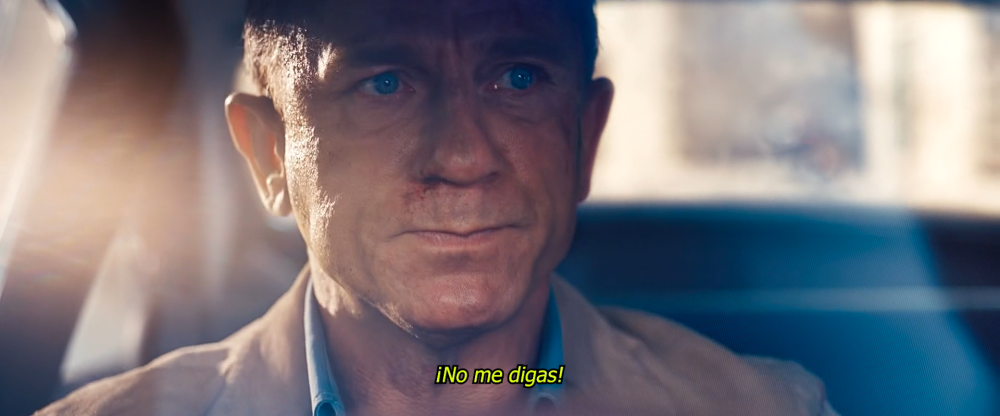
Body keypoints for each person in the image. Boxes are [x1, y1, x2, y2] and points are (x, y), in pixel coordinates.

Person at [38, 0, 838, 414]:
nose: (462, 157)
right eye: (384, 84)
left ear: (584, 139)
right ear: (271, 156)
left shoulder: (765, 409)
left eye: (517, 78)